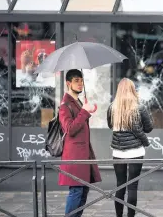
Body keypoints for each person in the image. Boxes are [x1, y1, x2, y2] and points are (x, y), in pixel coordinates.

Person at [107, 78, 153, 217]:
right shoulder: (139, 108)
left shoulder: (112, 107)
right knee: (132, 186)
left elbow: (110, 126)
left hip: (118, 152)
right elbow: (149, 128)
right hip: (136, 151)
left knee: (120, 185)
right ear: (133, 90)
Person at [59, 69, 102, 217]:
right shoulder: (65, 105)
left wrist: (87, 109)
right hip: (74, 156)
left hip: (83, 155)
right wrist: (84, 111)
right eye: (76, 81)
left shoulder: (77, 102)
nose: (80, 83)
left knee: (83, 191)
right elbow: (70, 129)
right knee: (76, 190)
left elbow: (81, 122)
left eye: (81, 80)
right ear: (68, 83)